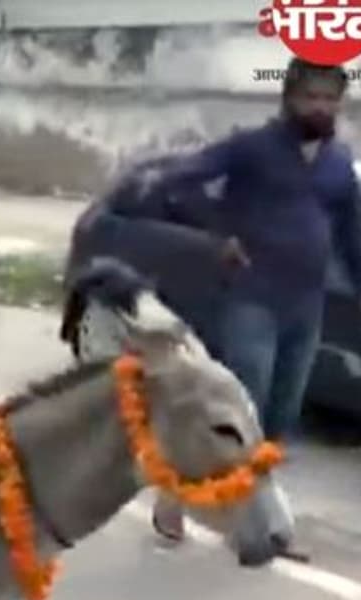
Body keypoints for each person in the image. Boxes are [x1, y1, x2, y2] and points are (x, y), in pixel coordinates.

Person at [136, 57, 361, 550]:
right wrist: (218, 235)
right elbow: (179, 180)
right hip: (252, 299)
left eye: (330, 99)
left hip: (306, 306)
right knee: (241, 416)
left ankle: (258, 519)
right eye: (312, 97)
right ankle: (180, 500)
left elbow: (349, 235)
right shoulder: (251, 148)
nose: (321, 107)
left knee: (280, 421)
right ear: (289, 98)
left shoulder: (338, 164)